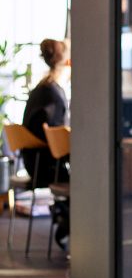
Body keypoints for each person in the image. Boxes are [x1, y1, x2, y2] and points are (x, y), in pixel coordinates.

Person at [21, 38, 70, 189]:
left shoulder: (40, 89)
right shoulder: (54, 94)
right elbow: (57, 136)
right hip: (47, 167)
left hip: (31, 162)